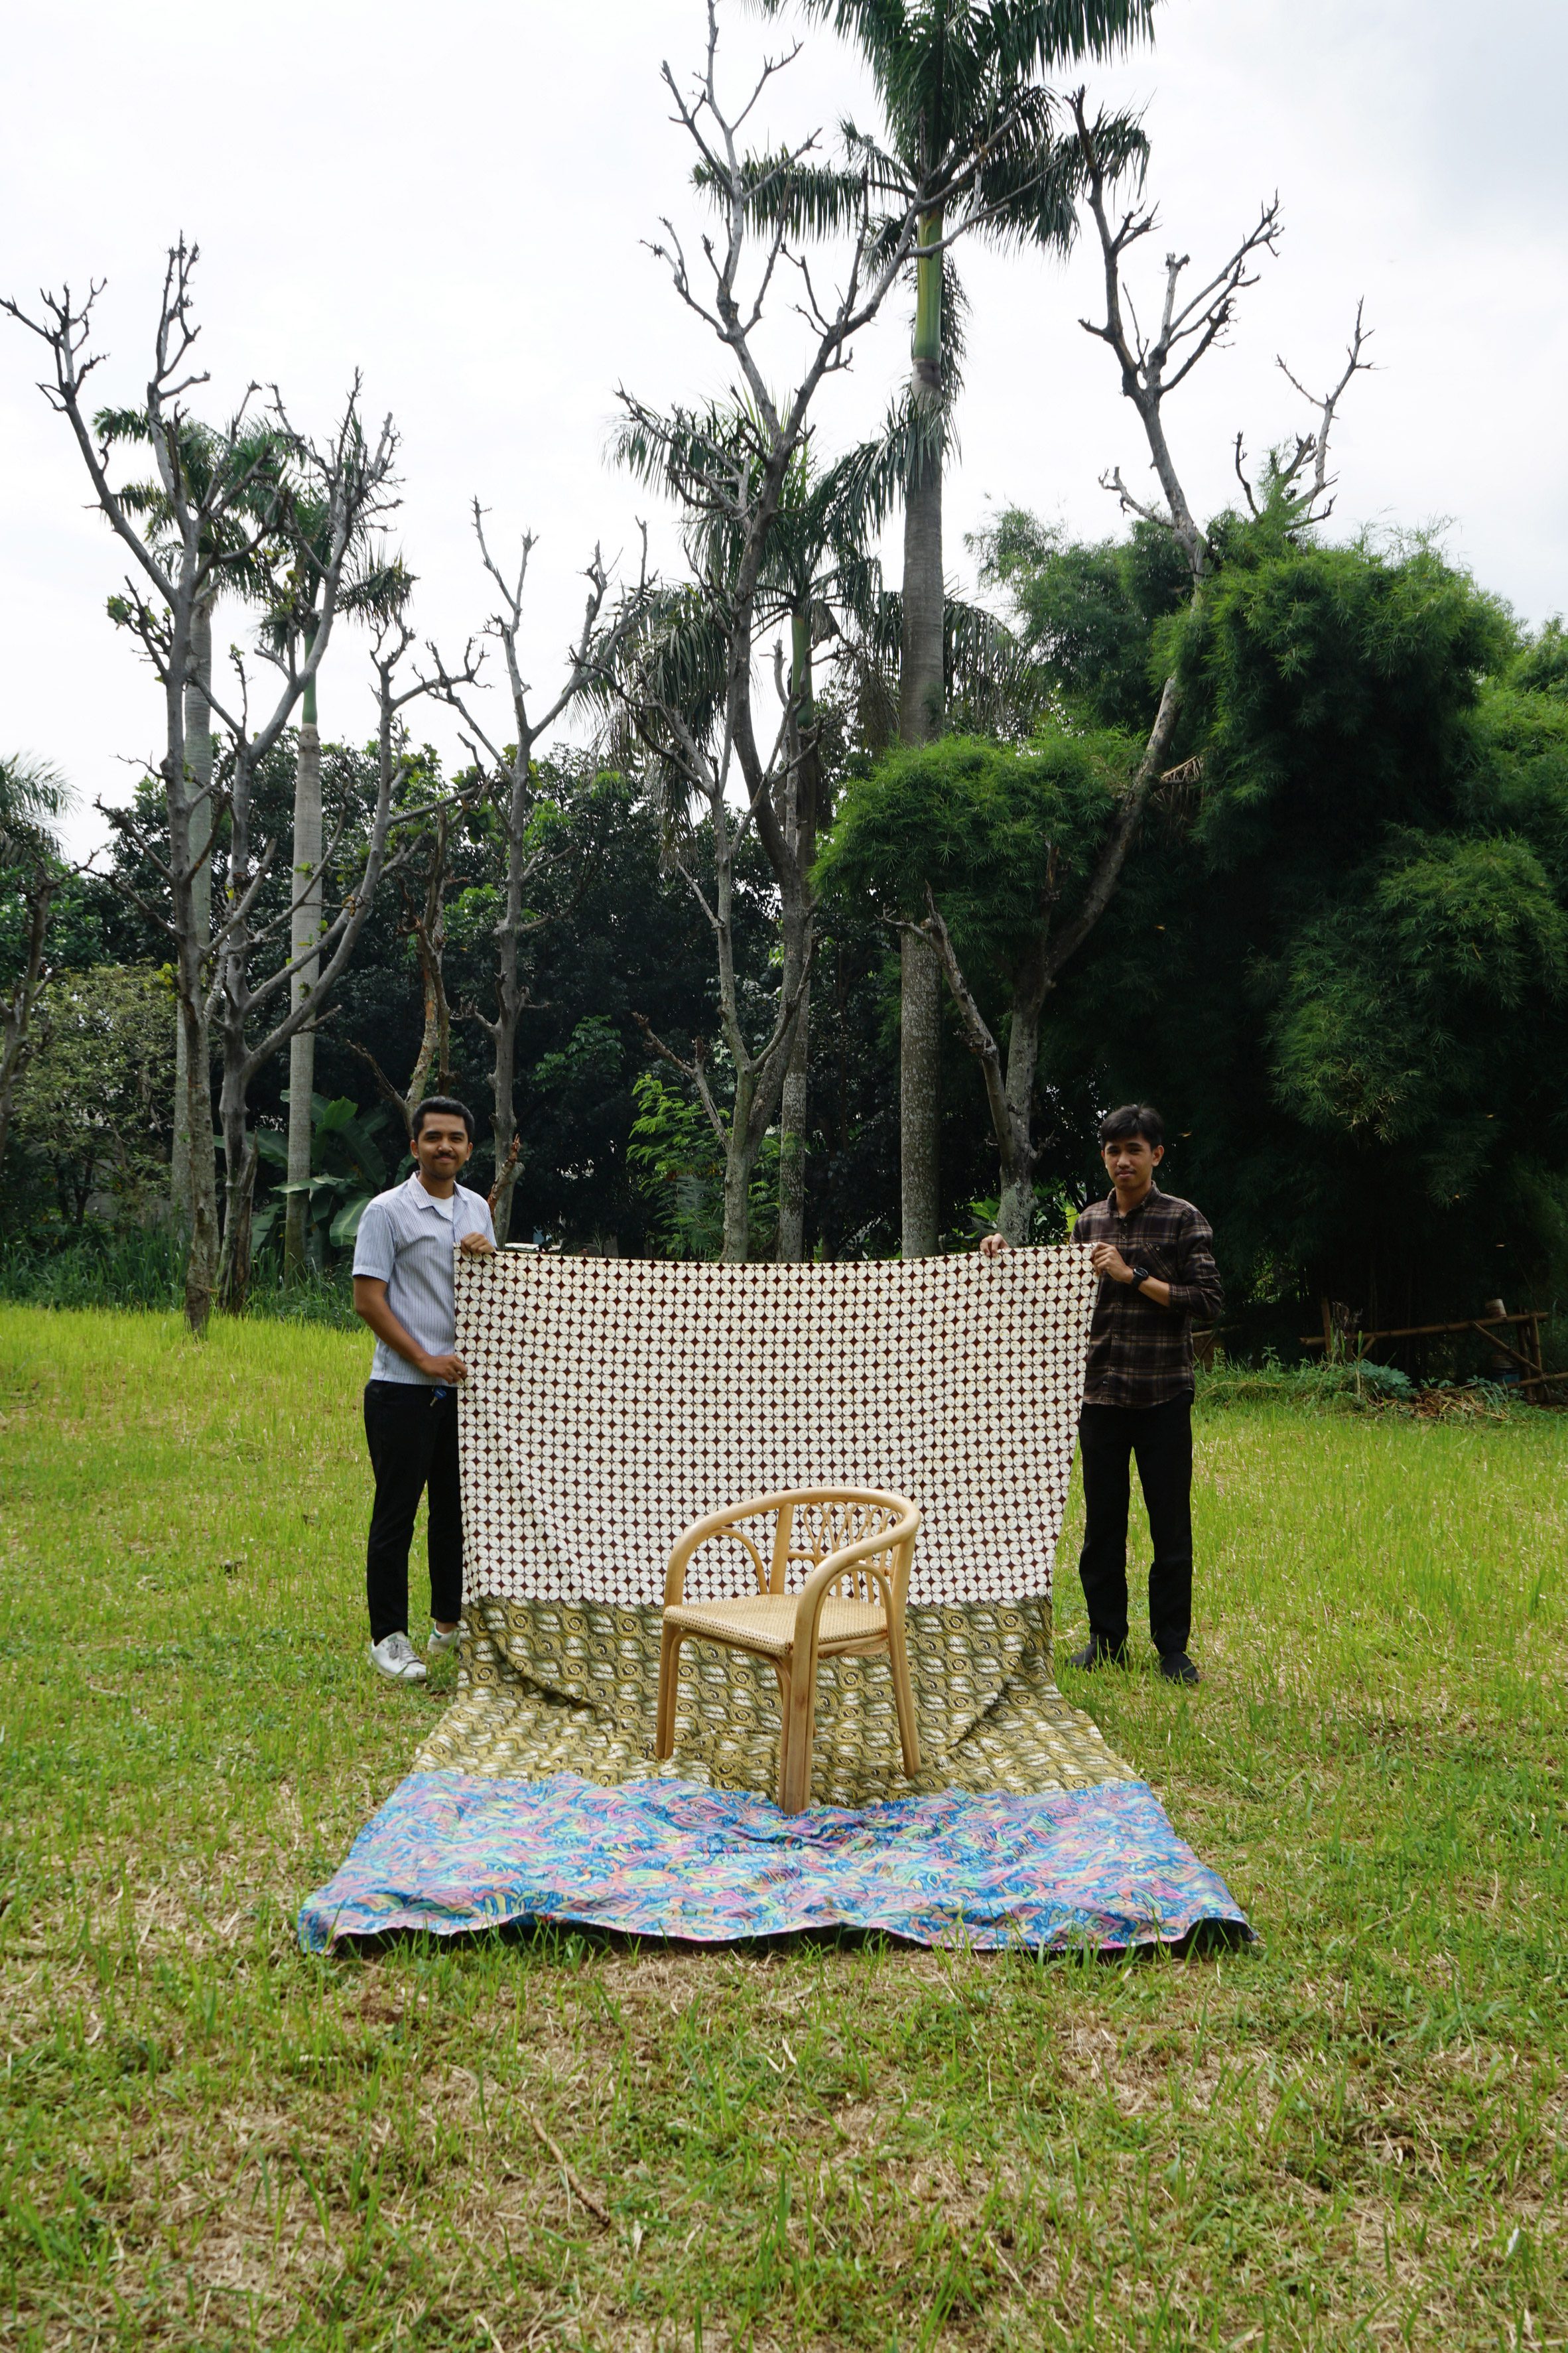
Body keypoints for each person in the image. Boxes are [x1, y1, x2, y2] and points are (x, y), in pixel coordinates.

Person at [982, 1103, 1222, 1685]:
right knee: (1103, 1527)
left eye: (1134, 1150)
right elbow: (1058, 1301)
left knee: (1170, 1526)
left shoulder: (1184, 1219)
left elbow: (1208, 1301)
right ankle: (1106, 1639)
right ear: (1104, 1157)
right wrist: (1005, 1260)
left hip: (1163, 1393)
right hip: (1100, 1398)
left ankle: (1173, 1649)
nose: (1123, 1161)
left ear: (1156, 1155)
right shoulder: (1089, 1223)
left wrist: (1133, 1276)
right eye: (1114, 1151)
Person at [352, 1096, 496, 1683]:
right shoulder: (387, 1212)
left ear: (468, 1147)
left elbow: (491, 1296)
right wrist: (425, 1359)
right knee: (396, 1516)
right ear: (414, 1147)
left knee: (455, 1514)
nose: (445, 1147)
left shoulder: (477, 1211)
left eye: (456, 1138)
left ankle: (448, 1627)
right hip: (402, 1389)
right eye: (433, 1137)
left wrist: (490, 1257)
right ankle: (387, 1638)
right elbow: (368, 1299)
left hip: (462, 1393)